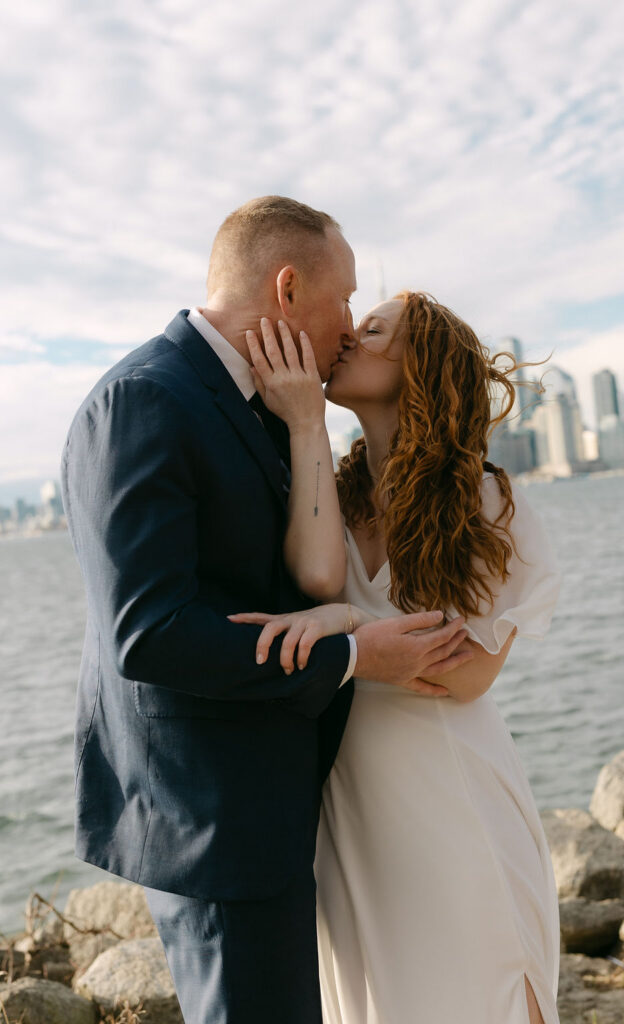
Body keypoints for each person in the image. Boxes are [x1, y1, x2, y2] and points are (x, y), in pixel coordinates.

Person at [60, 198, 474, 1024]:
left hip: (268, 805)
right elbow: (149, 634)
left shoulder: (256, 401)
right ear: (287, 290)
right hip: (213, 818)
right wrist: (357, 656)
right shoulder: (147, 398)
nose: (350, 323)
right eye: (345, 298)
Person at [229, 292, 563, 1024]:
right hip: (347, 805)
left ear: (420, 367)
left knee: (490, 993)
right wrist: (306, 421)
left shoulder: (482, 501)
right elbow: (316, 578)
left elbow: (466, 673)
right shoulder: (328, 492)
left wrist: (349, 624)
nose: (348, 335)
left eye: (373, 330)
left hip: (452, 793)